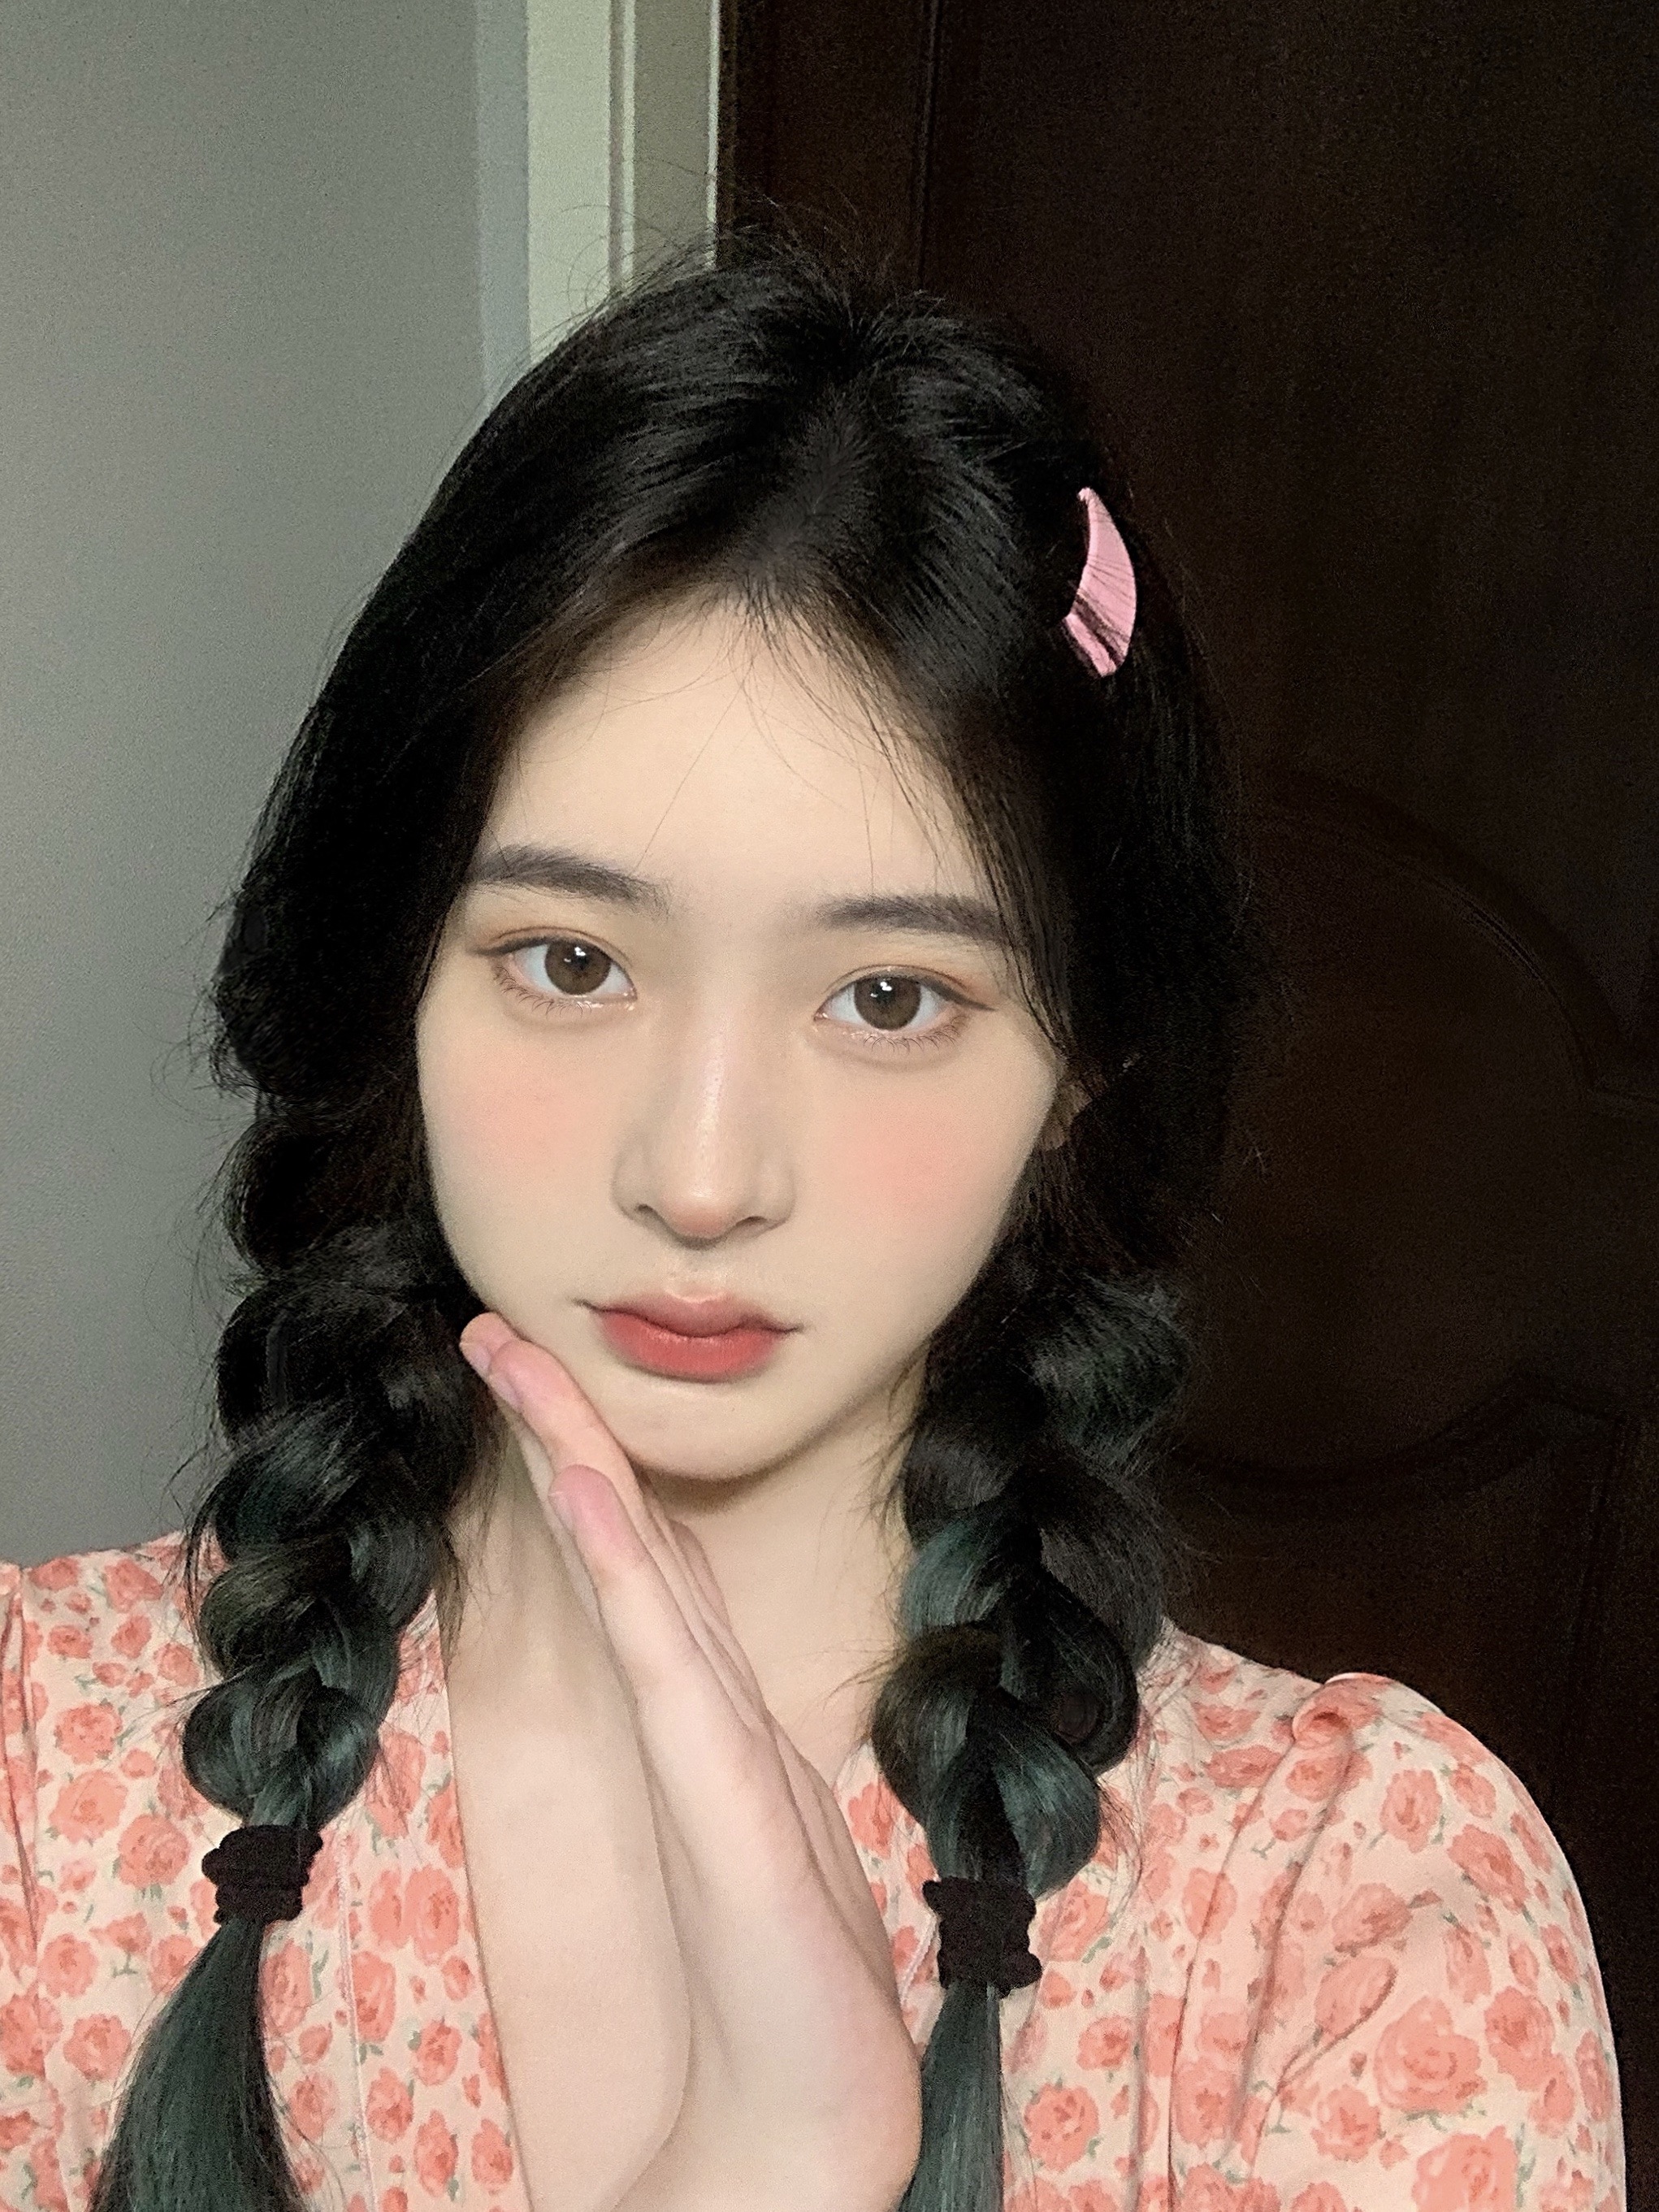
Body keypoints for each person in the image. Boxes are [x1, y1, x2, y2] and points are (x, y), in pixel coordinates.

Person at [0, 230, 1622, 2212]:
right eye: (571, 959)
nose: (700, 1176)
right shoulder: (34, 1785)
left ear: (1081, 1067)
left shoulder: (1354, 1930)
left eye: (889, 997)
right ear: (394, 972)